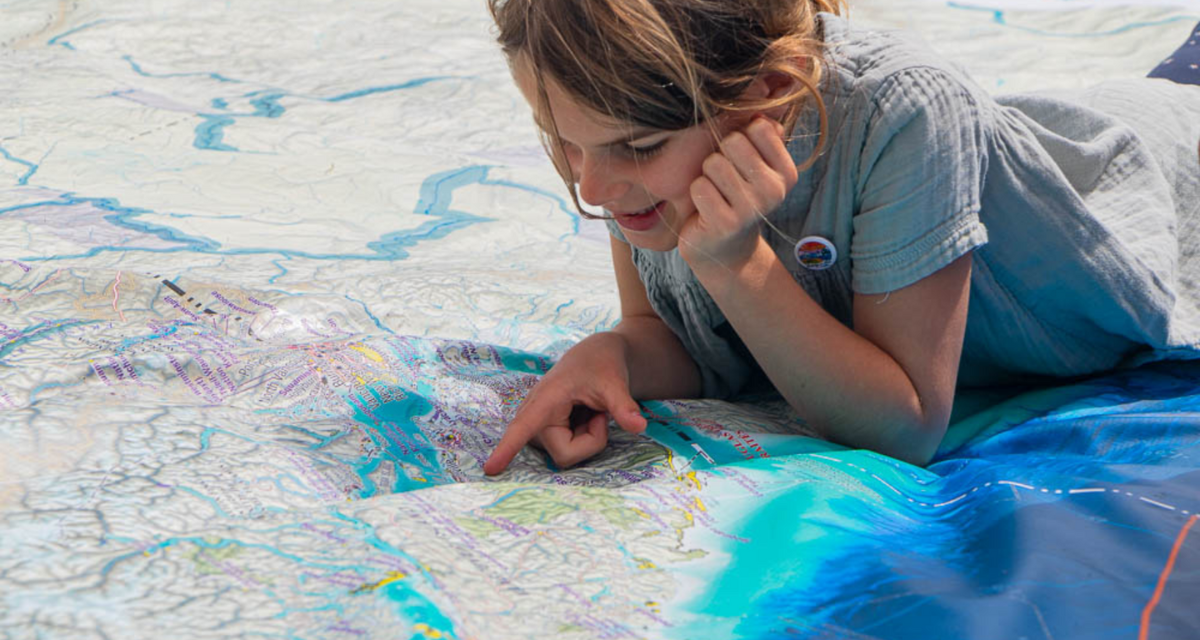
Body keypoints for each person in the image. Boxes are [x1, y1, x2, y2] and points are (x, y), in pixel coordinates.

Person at [481, 0, 1200, 474]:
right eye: (566, 143)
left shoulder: (906, 114)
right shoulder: (641, 157)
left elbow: (906, 425)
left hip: (1158, 174)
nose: (592, 189)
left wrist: (739, 268)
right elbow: (671, 333)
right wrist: (611, 356)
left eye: (636, 147)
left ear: (768, 91)